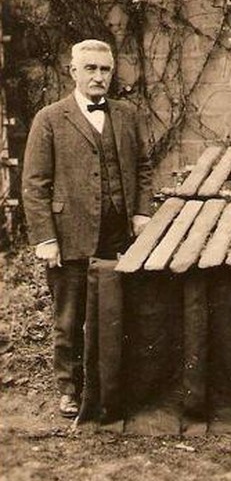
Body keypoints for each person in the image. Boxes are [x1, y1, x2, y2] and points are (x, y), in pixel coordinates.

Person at [22, 39, 153, 418]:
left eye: (105, 70)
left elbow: (143, 167)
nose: (98, 77)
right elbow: (34, 184)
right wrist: (45, 238)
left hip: (119, 236)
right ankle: (69, 389)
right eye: (91, 69)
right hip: (70, 235)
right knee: (70, 317)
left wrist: (141, 213)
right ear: (73, 71)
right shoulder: (50, 118)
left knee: (117, 312)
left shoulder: (128, 114)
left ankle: (113, 385)